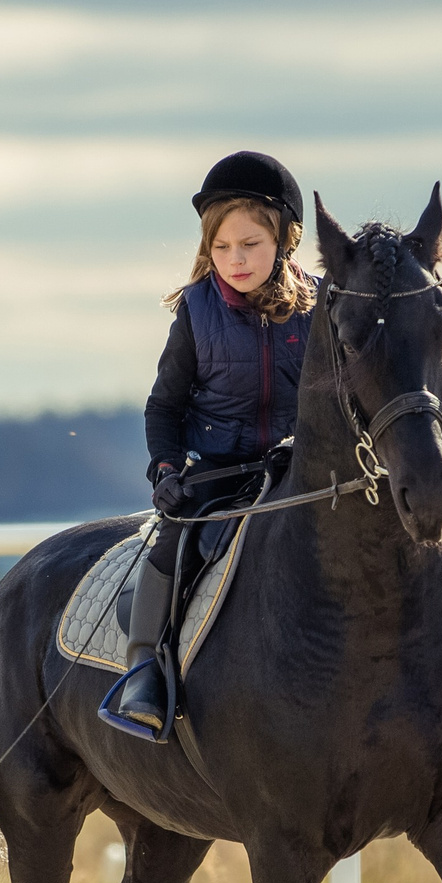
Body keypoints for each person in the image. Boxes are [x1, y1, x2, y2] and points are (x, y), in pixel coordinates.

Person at [100, 151, 317, 739]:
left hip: (301, 472)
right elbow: (163, 406)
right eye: (222, 248)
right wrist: (166, 469)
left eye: (250, 244)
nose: (235, 260)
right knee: (172, 543)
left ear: (286, 240)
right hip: (218, 475)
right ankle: (145, 667)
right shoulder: (196, 311)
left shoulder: (323, 308)